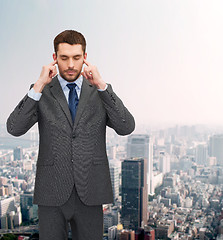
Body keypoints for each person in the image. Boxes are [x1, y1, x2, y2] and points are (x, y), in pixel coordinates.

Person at [6, 30, 135, 240]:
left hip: (90, 188)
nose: (71, 65)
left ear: (85, 57)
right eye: (64, 58)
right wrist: (38, 85)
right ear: (54, 59)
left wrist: (102, 86)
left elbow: (126, 126)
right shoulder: (42, 91)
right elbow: (14, 127)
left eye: (76, 58)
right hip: (51, 191)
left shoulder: (99, 92)